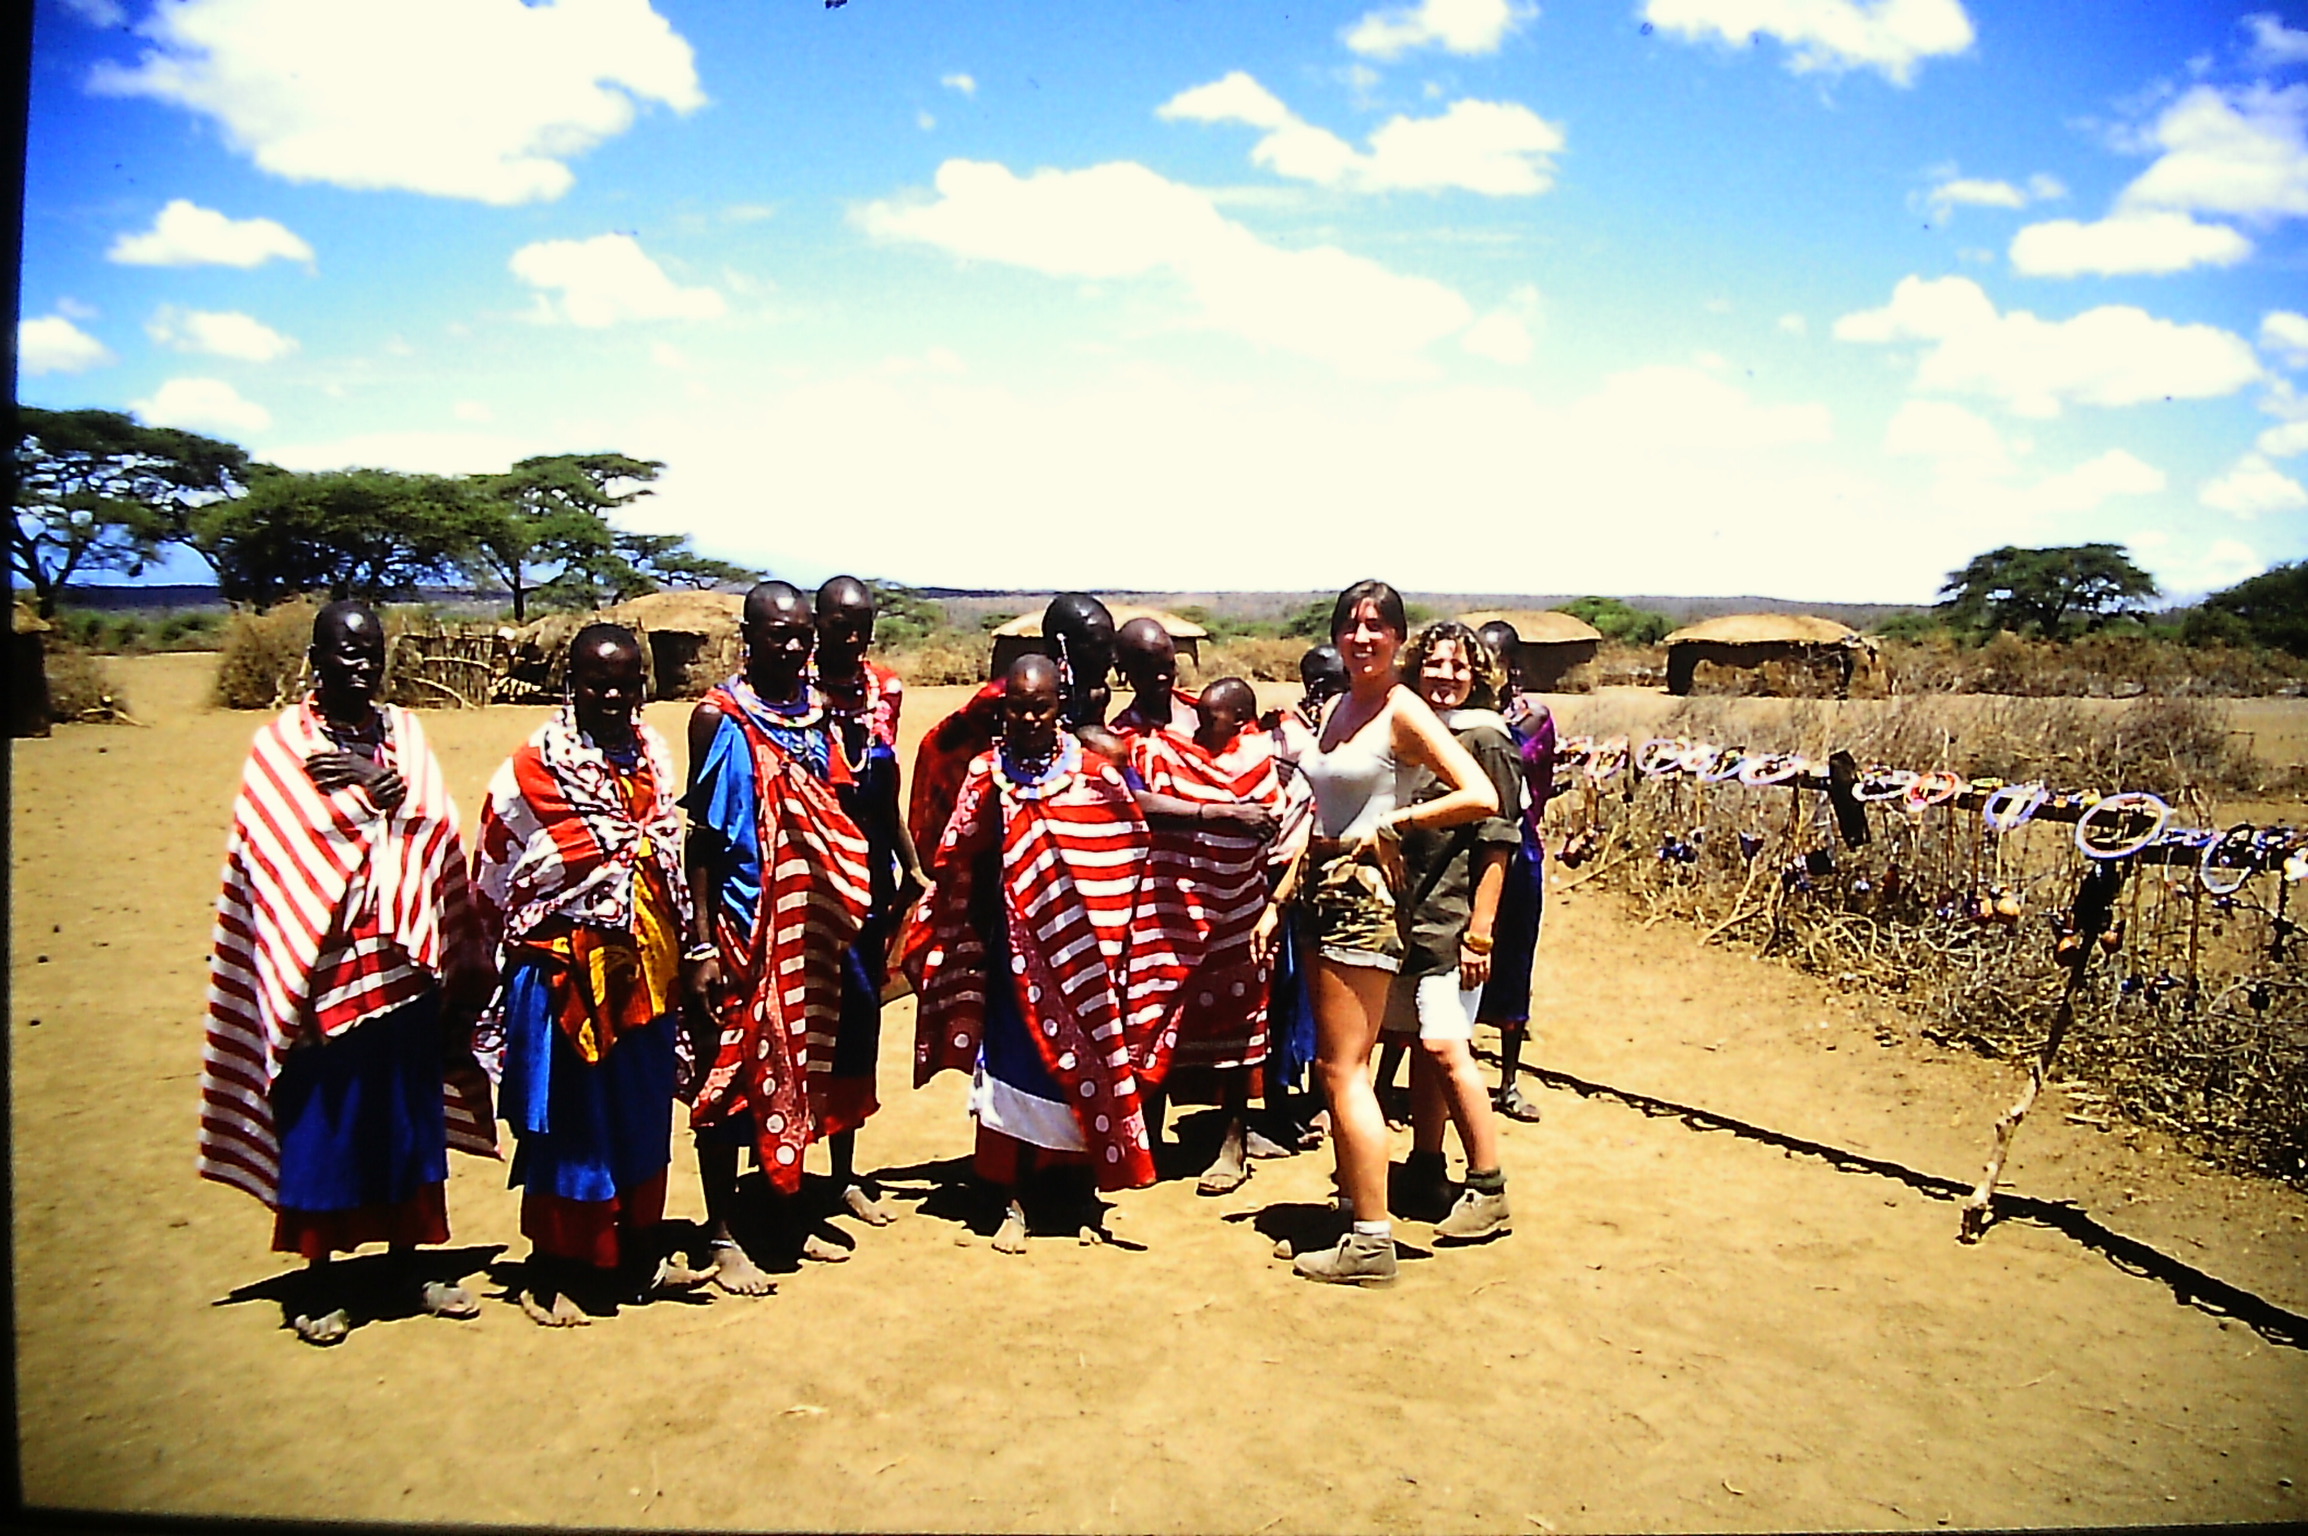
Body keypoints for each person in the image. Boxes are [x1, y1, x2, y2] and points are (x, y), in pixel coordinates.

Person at [200, 600, 496, 1346]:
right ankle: (317, 1279)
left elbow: (433, 828)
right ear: (317, 656)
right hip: (321, 972)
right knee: (323, 1125)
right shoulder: (280, 747)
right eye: (345, 652)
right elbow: (274, 854)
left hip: (401, 970)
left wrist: (377, 785)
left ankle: (410, 1264)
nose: (361, 666)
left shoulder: (404, 735)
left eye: (372, 653)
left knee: (407, 1120)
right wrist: (371, 807)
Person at [471, 624, 708, 1324]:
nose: (610, 695)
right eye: (594, 681)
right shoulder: (532, 768)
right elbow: (500, 873)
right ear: (569, 684)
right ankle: (557, 1270)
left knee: (639, 1116)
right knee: (571, 1124)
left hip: (643, 968)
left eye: (624, 681)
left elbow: (661, 849)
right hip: (562, 974)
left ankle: (638, 1254)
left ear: (643, 685)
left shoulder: (654, 755)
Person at [909, 652, 1176, 1253]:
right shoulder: (986, 772)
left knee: (1081, 1066)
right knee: (1011, 1068)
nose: (1029, 718)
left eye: (1042, 707)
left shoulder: (1094, 772)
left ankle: (1074, 1193)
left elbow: (1127, 851)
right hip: (1010, 957)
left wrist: (1108, 934)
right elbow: (959, 854)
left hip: (1085, 957)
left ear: (1062, 707)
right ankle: (1007, 1198)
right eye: (1017, 708)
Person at [1287, 581, 1498, 1286]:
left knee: (1347, 1070)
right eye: (1351, 624)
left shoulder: (1402, 710)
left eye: (1378, 626)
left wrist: (1396, 825)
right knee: (1337, 1066)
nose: (1363, 636)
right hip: (1322, 890)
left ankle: (1372, 1240)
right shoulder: (1343, 705)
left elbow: (1479, 794)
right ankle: (1356, 1209)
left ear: (1399, 639)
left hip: (1363, 897)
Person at [684, 580, 872, 1291]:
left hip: (807, 928)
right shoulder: (718, 718)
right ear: (748, 636)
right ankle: (722, 1233)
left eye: (800, 635)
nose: (792, 648)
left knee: (797, 1069)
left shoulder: (821, 714)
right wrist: (700, 944)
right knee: (730, 1076)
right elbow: (700, 841)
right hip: (739, 926)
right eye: (776, 635)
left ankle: (782, 1211)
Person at [1384, 621, 1521, 1243]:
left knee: (1446, 1047)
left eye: (1459, 666)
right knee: (1422, 1046)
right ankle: (1426, 1164)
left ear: (1479, 675)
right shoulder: (1425, 735)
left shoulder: (1486, 738)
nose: (1445, 676)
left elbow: (1498, 844)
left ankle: (1487, 1185)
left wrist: (1482, 932)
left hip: (1455, 918)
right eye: (1434, 664)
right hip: (1416, 913)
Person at [1126, 677, 1287, 1193]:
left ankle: (1233, 1142)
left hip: (1237, 914)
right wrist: (1222, 816)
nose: (1197, 725)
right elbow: (1137, 800)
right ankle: (1146, 1137)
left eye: (1211, 717)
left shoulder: (1262, 768)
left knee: (1237, 1025)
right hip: (1170, 913)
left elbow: (1271, 824)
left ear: (1239, 721)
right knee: (1153, 1017)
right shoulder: (1166, 752)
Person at [812, 575, 928, 1226]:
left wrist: (910, 865)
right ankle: (782, 1179)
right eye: (838, 623)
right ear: (816, 621)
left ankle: (842, 1173)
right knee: (800, 1026)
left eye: (863, 624)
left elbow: (885, 787)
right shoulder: (790, 692)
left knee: (859, 1023)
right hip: (805, 887)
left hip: (870, 880)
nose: (851, 636)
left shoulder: (885, 689)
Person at [1475, 619, 1554, 1123]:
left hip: (1516, 848)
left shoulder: (1531, 717)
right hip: (1460, 850)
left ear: (1512, 667)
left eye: (1493, 658)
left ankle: (1507, 1082)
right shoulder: (1460, 716)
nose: (1486, 667)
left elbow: (1507, 761)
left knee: (1512, 963)